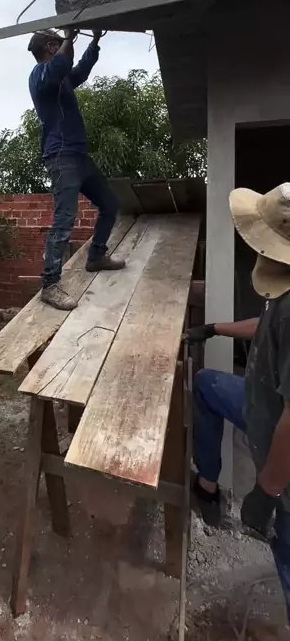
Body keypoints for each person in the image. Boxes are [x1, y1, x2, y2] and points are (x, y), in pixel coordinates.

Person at [186, 183, 290, 621]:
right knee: (207, 384)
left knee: (285, 548)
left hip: (282, 436)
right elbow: (264, 325)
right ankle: (207, 487)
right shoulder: (282, 289)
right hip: (259, 405)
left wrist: (266, 490)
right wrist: (214, 329)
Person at [28, 27, 125, 311]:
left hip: (78, 156)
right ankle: (50, 285)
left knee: (110, 203)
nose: (64, 46)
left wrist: (94, 41)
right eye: (59, 43)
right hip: (61, 156)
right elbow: (62, 63)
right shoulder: (41, 75)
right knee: (64, 219)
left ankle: (96, 257)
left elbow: (80, 69)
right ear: (50, 46)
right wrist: (69, 38)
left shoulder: (62, 78)